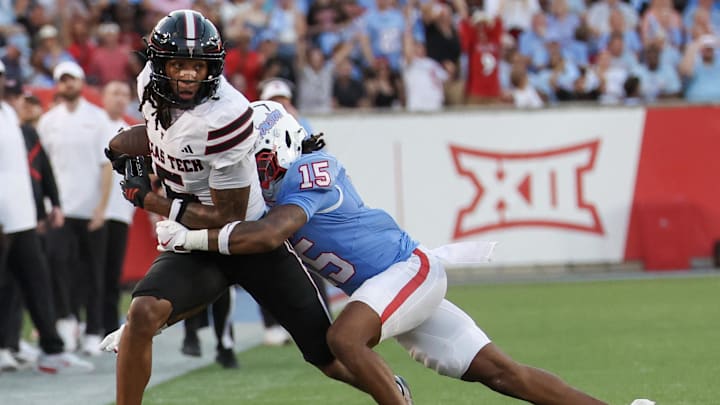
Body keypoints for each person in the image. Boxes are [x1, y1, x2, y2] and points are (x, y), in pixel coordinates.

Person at [154, 100, 615, 405]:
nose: (247, 169)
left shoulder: (312, 169)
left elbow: (267, 236)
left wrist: (187, 236)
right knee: (503, 374)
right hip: (388, 287)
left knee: (343, 340)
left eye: (254, 157)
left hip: (407, 271)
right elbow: (227, 232)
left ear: (279, 146)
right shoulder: (269, 186)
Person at [101, 10, 383, 405]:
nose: (185, 75)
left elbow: (227, 218)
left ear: (211, 68)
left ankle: (395, 393)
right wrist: (117, 147)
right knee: (143, 313)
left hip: (246, 241)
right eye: (177, 64)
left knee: (328, 356)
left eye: (196, 66)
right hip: (197, 247)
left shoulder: (224, 117)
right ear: (158, 63)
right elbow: (158, 136)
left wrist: (148, 199)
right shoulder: (150, 84)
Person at [0, 59, 93, 374]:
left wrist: (40, 209)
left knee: (37, 282)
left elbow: (22, 172)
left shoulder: (9, 115)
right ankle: (5, 347)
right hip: (3, 219)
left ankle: (51, 350)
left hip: (21, 218)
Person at [37, 60, 115, 355]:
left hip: (90, 207)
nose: (67, 84)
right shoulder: (49, 121)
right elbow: (43, 168)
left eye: (71, 79)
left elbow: (106, 167)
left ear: (81, 82)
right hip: (59, 209)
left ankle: (93, 330)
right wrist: (46, 205)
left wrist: (101, 208)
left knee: (93, 271)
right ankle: (67, 322)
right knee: (59, 268)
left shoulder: (97, 119)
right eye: (62, 80)